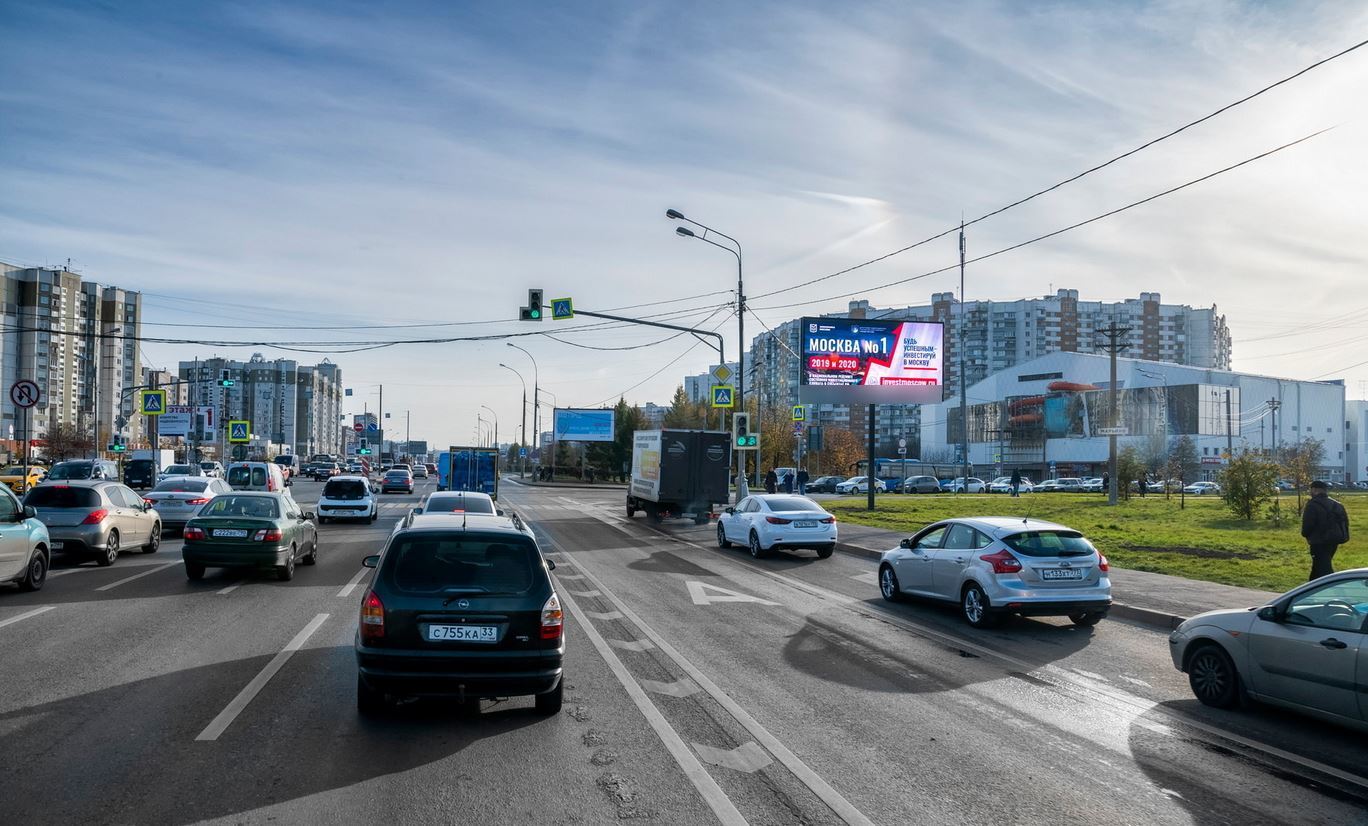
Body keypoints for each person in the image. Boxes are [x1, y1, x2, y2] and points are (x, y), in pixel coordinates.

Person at [1302, 480, 1349, 581]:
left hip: (1318, 541)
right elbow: (1345, 522)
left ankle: (1333, 585)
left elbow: (1308, 525)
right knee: (1318, 566)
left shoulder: (1312, 505)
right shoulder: (1337, 505)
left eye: (1311, 490)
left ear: (1314, 489)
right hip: (1334, 539)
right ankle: (1311, 588)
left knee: (1324, 568)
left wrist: (1305, 534)